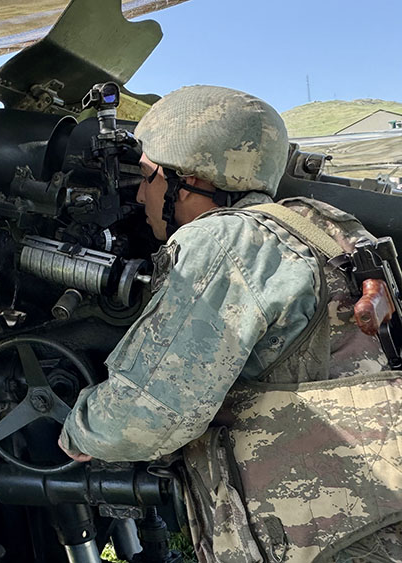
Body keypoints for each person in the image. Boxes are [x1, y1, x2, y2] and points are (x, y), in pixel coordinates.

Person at [57, 85, 402, 562]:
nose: (139, 193)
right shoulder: (320, 225)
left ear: (188, 180)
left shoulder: (225, 242)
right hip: (371, 511)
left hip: (315, 534)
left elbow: (148, 414)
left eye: (148, 176)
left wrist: (77, 431)